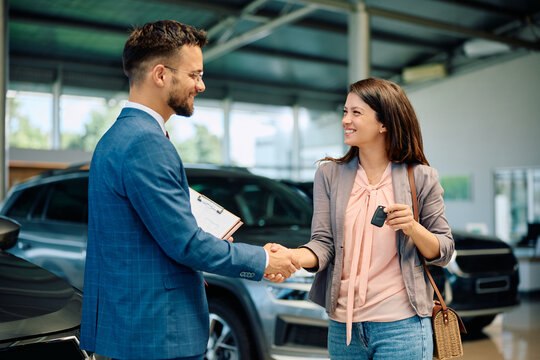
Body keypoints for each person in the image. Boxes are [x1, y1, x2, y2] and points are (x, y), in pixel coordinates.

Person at [79, 20, 298, 360]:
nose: (202, 85)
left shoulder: (117, 138)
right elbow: (185, 244)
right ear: (161, 74)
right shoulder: (145, 144)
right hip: (155, 334)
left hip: (134, 328)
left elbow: (152, 232)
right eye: (195, 74)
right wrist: (265, 259)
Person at [274, 78, 454, 359]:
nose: (346, 120)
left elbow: (443, 251)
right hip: (343, 327)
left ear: (384, 124)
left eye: (356, 113)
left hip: (402, 326)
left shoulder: (420, 177)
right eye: (345, 112)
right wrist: (293, 258)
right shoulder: (329, 175)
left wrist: (412, 228)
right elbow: (324, 243)